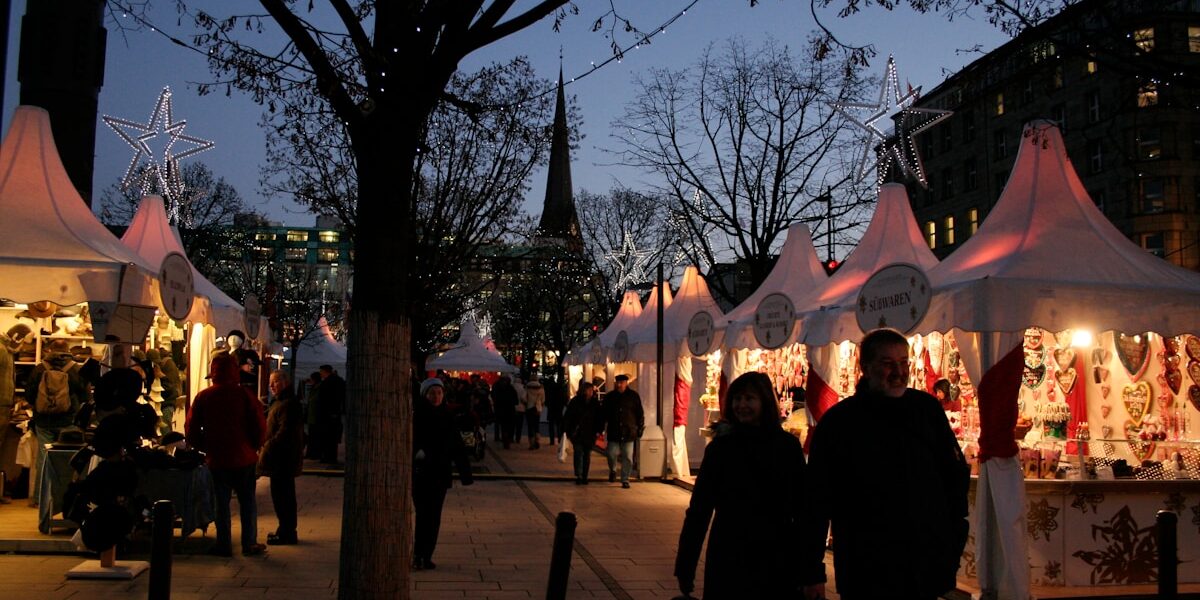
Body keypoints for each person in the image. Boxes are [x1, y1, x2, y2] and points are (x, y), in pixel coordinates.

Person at [803, 328, 970, 600]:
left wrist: (951, 546)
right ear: (866, 368)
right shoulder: (839, 424)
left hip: (923, 562)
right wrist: (811, 570)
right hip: (866, 566)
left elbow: (954, 478)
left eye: (903, 362)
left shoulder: (926, 410)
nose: (899, 371)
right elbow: (816, 501)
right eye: (887, 363)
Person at [675, 372, 822, 599]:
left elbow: (805, 511)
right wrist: (686, 564)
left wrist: (811, 572)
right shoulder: (720, 450)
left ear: (764, 401)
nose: (741, 405)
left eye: (749, 399)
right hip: (729, 552)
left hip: (777, 553)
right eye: (737, 399)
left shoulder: (786, 447)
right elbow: (699, 511)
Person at [187, 353, 268, 557]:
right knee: (247, 501)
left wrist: (204, 447)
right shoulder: (244, 395)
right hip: (243, 456)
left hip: (217, 457)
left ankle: (224, 544)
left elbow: (192, 428)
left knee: (220, 503)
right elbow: (259, 424)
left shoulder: (204, 396)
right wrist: (254, 446)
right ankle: (249, 543)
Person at [412, 377, 474, 570]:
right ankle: (418, 554)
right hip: (421, 473)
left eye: (439, 393)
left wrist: (465, 474)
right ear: (425, 394)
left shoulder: (447, 416)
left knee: (434, 517)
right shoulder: (417, 415)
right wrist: (417, 452)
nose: (436, 396)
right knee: (423, 514)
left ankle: (426, 555)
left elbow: (457, 445)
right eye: (432, 393)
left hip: (440, 474)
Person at [258, 370, 305, 545]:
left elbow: (285, 432)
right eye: (271, 382)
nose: (271, 386)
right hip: (281, 458)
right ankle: (285, 529)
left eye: (275, 382)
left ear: (285, 382)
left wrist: (268, 447)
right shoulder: (282, 402)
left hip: (282, 459)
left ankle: (287, 531)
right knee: (282, 496)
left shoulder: (288, 404)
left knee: (283, 497)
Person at [602, 374, 643, 488]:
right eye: (618, 383)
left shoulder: (633, 396)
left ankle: (625, 479)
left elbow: (639, 413)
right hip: (614, 430)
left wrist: (639, 427)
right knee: (611, 453)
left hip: (628, 431)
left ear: (626, 383)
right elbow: (604, 413)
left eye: (622, 383)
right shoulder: (610, 396)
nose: (619, 385)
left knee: (628, 456)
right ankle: (613, 469)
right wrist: (601, 427)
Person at [561, 381, 601, 484]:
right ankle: (579, 474)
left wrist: (598, 431)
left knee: (587, 455)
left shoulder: (594, 403)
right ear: (584, 390)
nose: (591, 392)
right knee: (578, 453)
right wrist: (567, 430)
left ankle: (584, 475)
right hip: (577, 433)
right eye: (589, 390)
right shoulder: (575, 401)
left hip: (590, 433)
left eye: (592, 390)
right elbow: (568, 417)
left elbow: (599, 418)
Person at [315, 365, 346, 465]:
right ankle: (329, 456)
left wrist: (333, 411)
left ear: (325, 371)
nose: (320, 374)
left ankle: (329, 457)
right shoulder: (337, 381)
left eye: (321, 372)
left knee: (328, 437)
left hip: (329, 414)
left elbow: (332, 398)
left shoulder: (330, 383)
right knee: (330, 438)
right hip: (331, 413)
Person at [491, 375, 517, 448]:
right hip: (510, 410)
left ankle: (504, 439)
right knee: (509, 426)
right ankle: (507, 439)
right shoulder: (511, 389)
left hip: (501, 409)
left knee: (503, 426)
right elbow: (516, 400)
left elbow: (495, 397)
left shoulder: (499, 388)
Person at [543, 374, 567, 445]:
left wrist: (547, 404)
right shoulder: (559, 387)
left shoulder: (548, 388)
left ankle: (552, 440)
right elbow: (563, 398)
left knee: (551, 426)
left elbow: (546, 399)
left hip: (551, 408)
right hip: (558, 409)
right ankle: (559, 439)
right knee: (558, 425)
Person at [523, 373, 545, 449]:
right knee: (536, 425)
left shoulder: (527, 387)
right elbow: (543, 399)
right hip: (537, 408)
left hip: (529, 407)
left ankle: (531, 443)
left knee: (530, 426)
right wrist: (540, 404)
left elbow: (523, 397)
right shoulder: (541, 387)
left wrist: (526, 402)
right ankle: (537, 440)